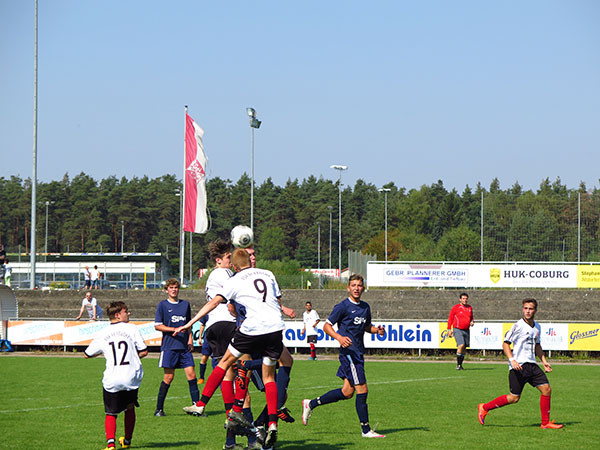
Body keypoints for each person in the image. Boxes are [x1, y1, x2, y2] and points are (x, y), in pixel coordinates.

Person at [174, 249, 288, 449]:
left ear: (234, 266)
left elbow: (214, 303)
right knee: (269, 377)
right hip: (276, 328)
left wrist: (189, 323)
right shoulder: (268, 273)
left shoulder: (234, 280)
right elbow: (276, 300)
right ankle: (272, 423)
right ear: (250, 261)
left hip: (252, 328)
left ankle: (201, 404)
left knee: (226, 363)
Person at [302, 274, 386, 439]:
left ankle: (310, 403)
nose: (356, 288)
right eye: (353, 285)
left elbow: (366, 326)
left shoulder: (365, 307)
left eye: (359, 285)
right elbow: (326, 326)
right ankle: (366, 430)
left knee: (347, 392)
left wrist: (377, 330)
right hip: (349, 354)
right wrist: (339, 337)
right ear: (348, 288)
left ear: (363, 288)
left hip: (358, 353)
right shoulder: (342, 306)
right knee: (362, 389)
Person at [477, 298, 563, 429]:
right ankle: (484, 407)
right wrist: (512, 360)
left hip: (532, 365)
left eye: (531, 309)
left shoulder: (537, 327)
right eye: (526, 308)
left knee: (546, 390)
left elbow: (537, 346)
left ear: (535, 310)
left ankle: (545, 423)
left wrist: (544, 361)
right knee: (514, 398)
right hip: (518, 366)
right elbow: (505, 343)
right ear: (523, 309)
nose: (528, 311)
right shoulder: (518, 326)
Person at [84, 301, 148, 450]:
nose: (129, 314)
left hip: (112, 377)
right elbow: (144, 351)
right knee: (130, 408)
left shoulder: (102, 333)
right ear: (118, 315)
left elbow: (87, 354)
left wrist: (107, 354)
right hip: (131, 376)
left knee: (111, 412)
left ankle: (111, 444)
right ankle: (127, 441)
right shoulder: (132, 328)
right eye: (127, 311)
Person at [153, 278, 200, 417]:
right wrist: (174, 329)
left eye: (176, 287)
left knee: (192, 375)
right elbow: (157, 325)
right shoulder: (162, 306)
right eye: (171, 287)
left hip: (184, 347)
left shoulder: (185, 305)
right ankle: (159, 409)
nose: (174, 290)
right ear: (166, 290)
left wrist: (190, 339)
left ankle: (197, 407)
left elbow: (188, 324)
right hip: (169, 347)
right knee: (168, 377)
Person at [447, 292, 474, 370]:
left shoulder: (469, 308)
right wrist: (449, 329)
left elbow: (471, 317)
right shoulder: (455, 308)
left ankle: (460, 364)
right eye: (463, 299)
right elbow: (450, 319)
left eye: (466, 299)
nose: (465, 300)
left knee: (464, 348)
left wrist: (472, 321)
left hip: (466, 330)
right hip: (457, 329)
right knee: (461, 345)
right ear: (460, 299)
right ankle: (458, 365)